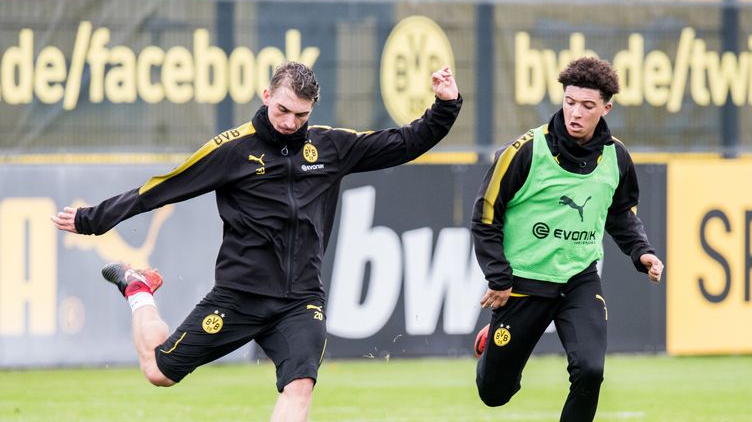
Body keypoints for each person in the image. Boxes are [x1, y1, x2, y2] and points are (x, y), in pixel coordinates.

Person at [51, 61, 461, 422]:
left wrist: (444, 106)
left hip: (302, 299)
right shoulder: (232, 150)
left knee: (300, 385)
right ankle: (139, 289)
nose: (288, 122)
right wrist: (93, 220)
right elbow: (163, 188)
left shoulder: (332, 146)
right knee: (159, 371)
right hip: (240, 296)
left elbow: (405, 142)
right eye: (282, 109)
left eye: (300, 115)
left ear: (312, 109)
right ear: (266, 96)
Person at [470, 57, 663, 421]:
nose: (576, 112)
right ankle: (489, 345)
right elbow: (485, 218)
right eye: (569, 102)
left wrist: (642, 252)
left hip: (579, 279)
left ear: (606, 108)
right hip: (524, 284)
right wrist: (499, 278)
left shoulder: (616, 157)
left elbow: (620, 212)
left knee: (590, 371)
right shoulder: (523, 152)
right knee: (494, 395)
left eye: (587, 106)